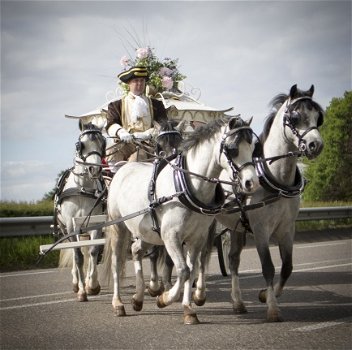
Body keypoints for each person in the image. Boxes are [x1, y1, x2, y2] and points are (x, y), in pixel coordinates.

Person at [105, 66, 168, 168]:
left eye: (142, 81)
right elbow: (111, 124)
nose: (139, 84)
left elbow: (164, 125)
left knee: (137, 158)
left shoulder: (156, 104)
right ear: (129, 83)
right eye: (136, 81)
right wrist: (121, 132)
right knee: (110, 151)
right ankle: (113, 180)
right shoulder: (117, 105)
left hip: (149, 145)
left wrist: (148, 134)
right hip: (126, 143)